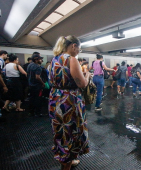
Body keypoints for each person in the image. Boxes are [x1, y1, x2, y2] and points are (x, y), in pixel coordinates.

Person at [49, 35, 90, 170]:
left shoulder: (53, 60)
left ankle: (68, 160)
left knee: (61, 131)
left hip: (55, 98)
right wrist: (88, 75)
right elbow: (82, 84)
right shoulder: (71, 60)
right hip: (69, 101)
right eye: (79, 48)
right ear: (73, 46)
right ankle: (66, 165)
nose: (78, 51)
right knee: (71, 132)